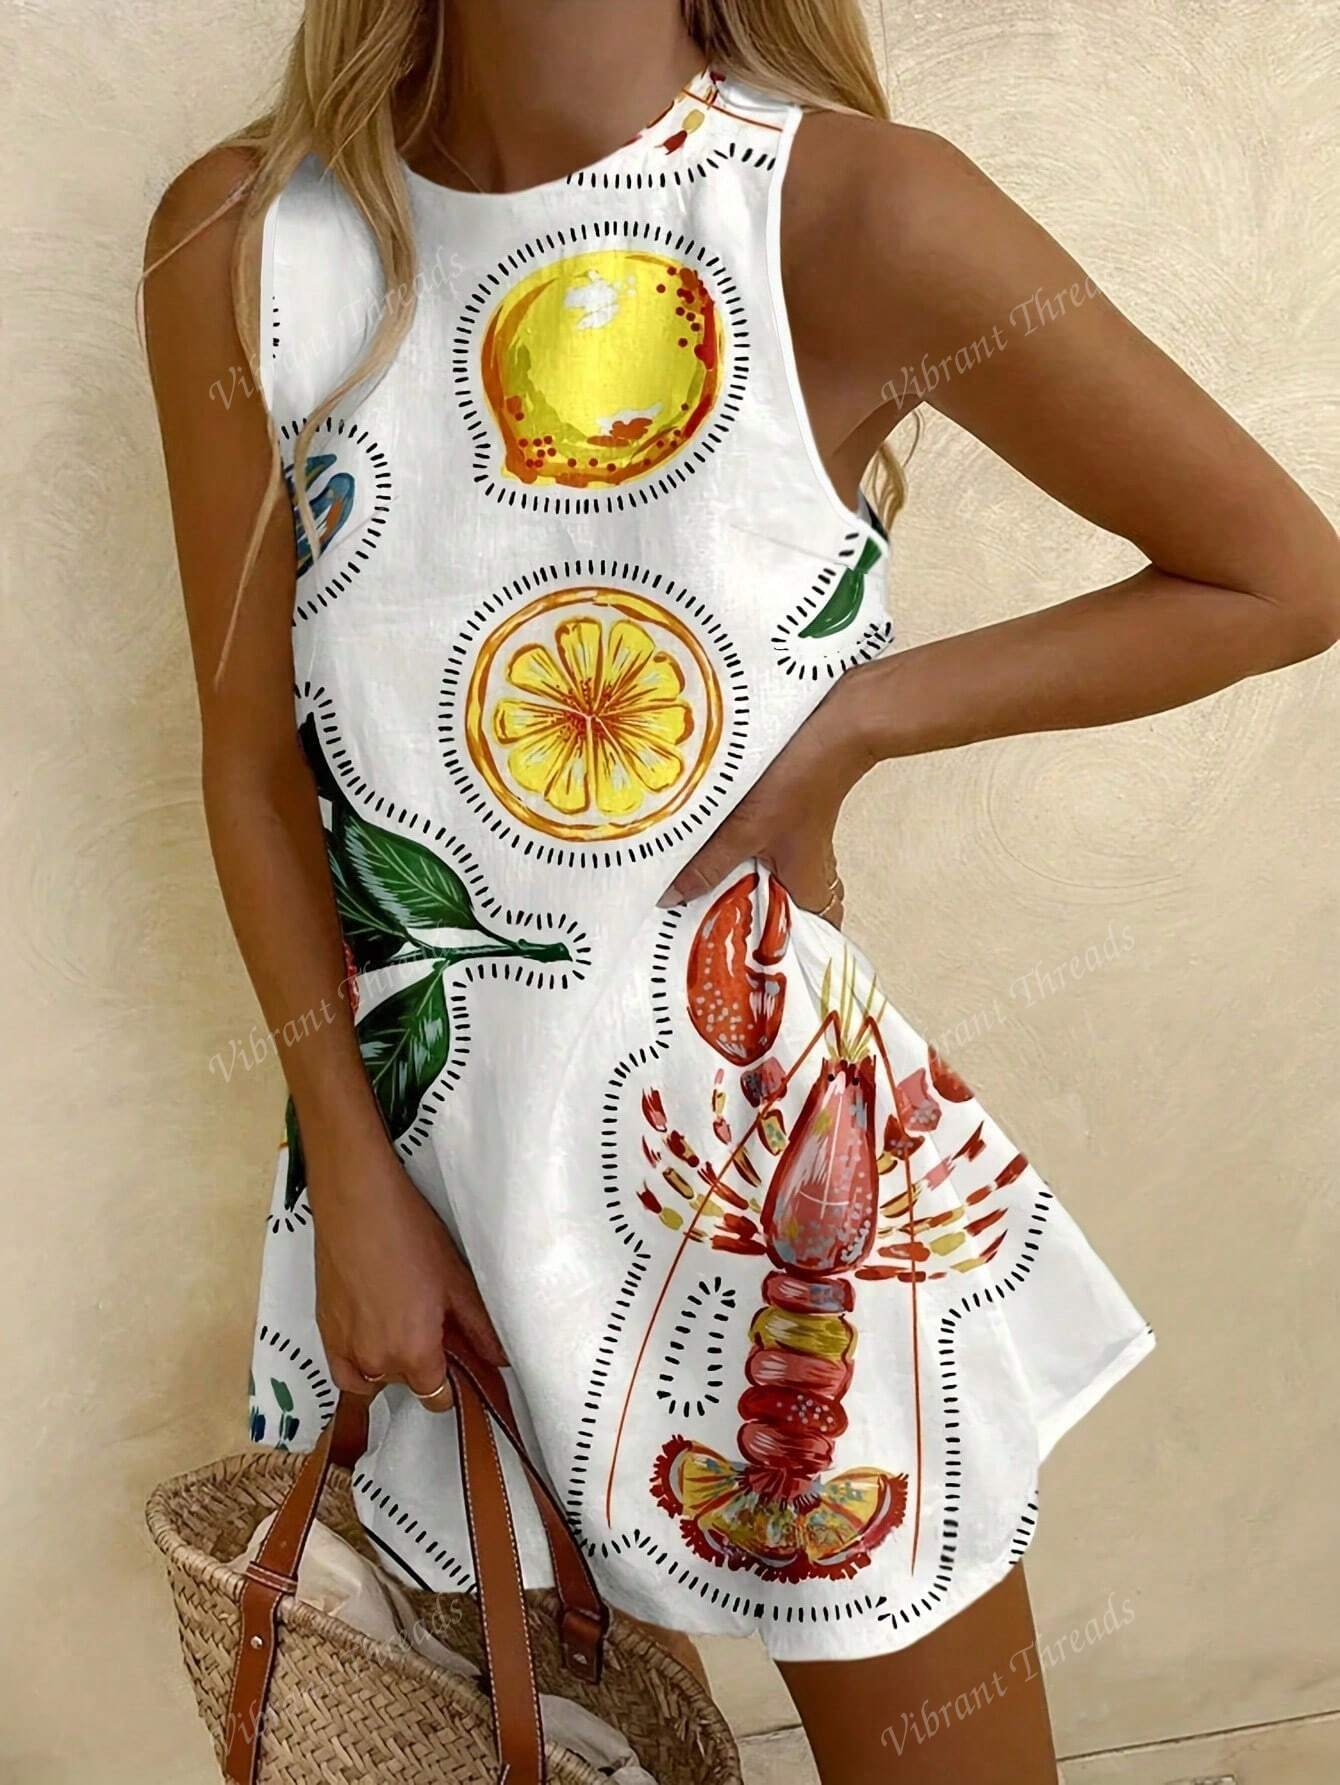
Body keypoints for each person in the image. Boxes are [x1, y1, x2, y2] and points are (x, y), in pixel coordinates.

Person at [141, 3, 1339, 1780]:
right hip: (421, 1201)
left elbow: (1278, 575)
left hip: (787, 1212)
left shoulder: (850, 213)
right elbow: (248, 760)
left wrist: (851, 725)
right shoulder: (247, 242)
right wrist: (356, 1173)